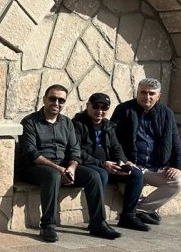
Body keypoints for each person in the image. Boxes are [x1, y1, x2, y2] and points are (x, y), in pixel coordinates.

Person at [15, 84, 120, 243]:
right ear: (44, 99)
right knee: (53, 175)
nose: (56, 103)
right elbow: (32, 153)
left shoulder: (67, 123)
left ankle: (98, 223)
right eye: (53, 99)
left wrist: (71, 167)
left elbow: (74, 149)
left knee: (93, 175)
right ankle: (48, 225)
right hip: (36, 168)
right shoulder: (30, 122)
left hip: (63, 166)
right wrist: (59, 169)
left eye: (61, 100)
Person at [111, 78, 181, 226]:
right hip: (132, 167)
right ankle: (138, 212)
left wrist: (178, 165)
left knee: (177, 182)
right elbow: (113, 139)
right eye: (143, 92)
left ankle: (139, 210)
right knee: (132, 181)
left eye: (152, 93)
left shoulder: (166, 113)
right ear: (137, 93)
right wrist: (123, 159)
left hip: (155, 167)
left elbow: (175, 140)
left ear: (158, 96)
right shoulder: (124, 110)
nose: (147, 97)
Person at [72, 93, 148, 232]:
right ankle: (97, 222)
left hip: (108, 166)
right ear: (88, 106)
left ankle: (128, 216)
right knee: (101, 174)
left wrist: (122, 161)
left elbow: (116, 147)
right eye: (96, 106)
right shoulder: (77, 124)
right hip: (87, 166)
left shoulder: (107, 125)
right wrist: (103, 164)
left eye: (104, 107)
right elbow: (77, 152)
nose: (99, 111)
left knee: (136, 174)